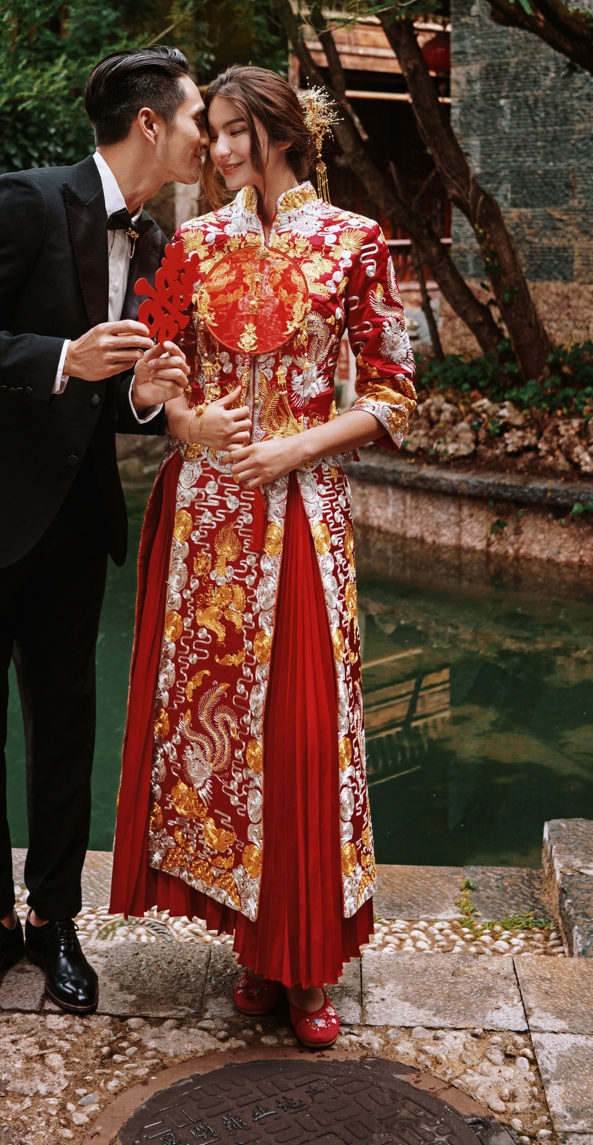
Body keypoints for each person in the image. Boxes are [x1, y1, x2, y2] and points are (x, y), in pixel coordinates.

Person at [110, 65, 416, 1048]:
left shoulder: (355, 243)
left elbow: (394, 395)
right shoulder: (193, 246)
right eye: (216, 130)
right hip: (207, 527)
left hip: (302, 518)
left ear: (282, 133)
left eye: (238, 129)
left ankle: (309, 958)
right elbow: (163, 388)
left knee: (298, 735)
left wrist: (293, 448)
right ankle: (254, 945)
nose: (220, 147)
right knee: (221, 740)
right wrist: (186, 419)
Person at [0, 45, 206, 1016]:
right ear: (151, 122)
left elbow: (116, 402)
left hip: (75, 523)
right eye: (198, 116)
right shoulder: (24, 200)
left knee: (67, 727)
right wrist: (61, 356)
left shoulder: (158, 248)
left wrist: (145, 397)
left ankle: (56, 920)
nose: (209, 136)